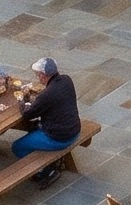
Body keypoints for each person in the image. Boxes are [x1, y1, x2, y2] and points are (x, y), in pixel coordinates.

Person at [11, 56, 80, 185]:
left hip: (59, 138)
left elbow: (27, 114)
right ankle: (47, 161)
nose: (38, 77)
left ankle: (46, 171)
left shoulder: (47, 95)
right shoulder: (66, 80)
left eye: (38, 75)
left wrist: (23, 100)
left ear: (43, 75)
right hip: (74, 130)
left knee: (17, 147)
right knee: (33, 129)